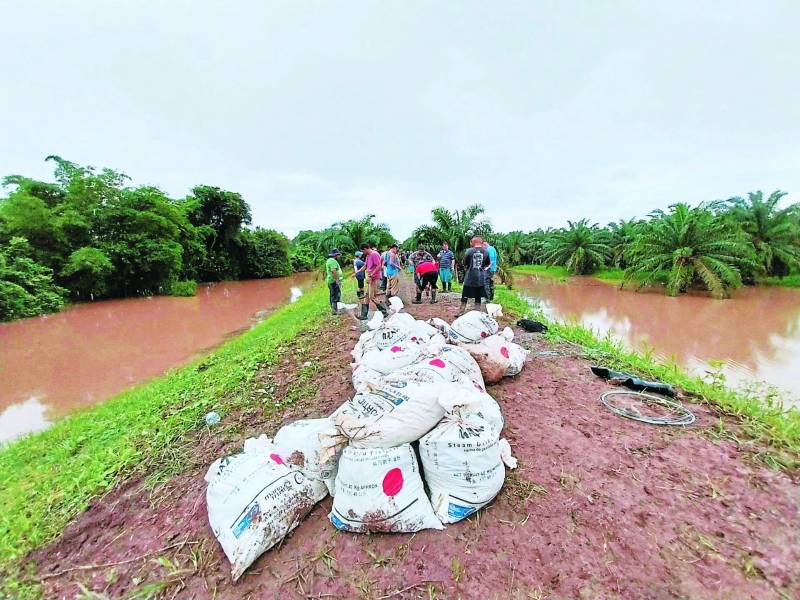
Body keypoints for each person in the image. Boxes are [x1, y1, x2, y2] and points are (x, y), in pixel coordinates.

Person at [358, 242, 389, 320]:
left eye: (362, 251)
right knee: (367, 295)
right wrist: (357, 272)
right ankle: (364, 315)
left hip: (374, 278)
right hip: (370, 277)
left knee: (372, 296)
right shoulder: (368, 255)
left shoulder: (374, 254)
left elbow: (379, 265)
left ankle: (384, 311)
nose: (362, 253)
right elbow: (365, 265)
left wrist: (372, 275)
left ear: (365, 249)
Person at [461, 237, 490, 313]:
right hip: (480, 278)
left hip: (470, 277)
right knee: (478, 296)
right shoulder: (486, 252)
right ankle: (477, 313)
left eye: (471, 242)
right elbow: (487, 264)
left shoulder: (468, 251)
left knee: (465, 295)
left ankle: (461, 311)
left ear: (473, 242)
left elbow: (464, 263)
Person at [325, 248, 343, 315]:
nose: (339, 256)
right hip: (333, 281)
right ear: (335, 255)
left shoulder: (330, 260)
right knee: (335, 295)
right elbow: (334, 271)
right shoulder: (332, 261)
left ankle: (334, 309)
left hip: (331, 281)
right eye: (338, 255)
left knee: (333, 295)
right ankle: (334, 310)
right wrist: (337, 280)